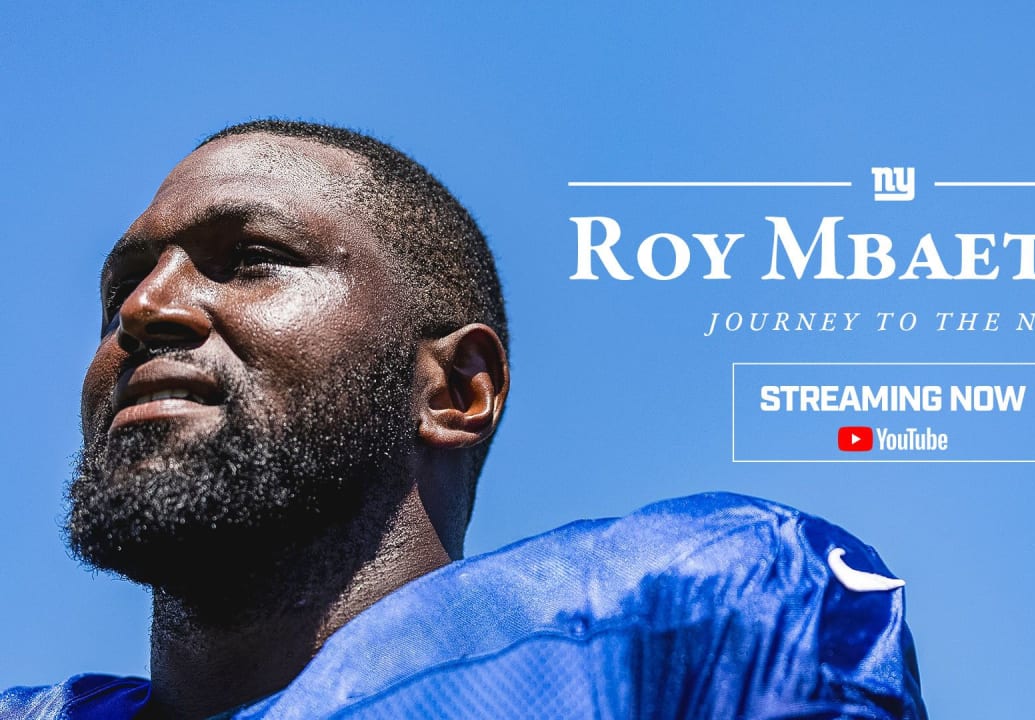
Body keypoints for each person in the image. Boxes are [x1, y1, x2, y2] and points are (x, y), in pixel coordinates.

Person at [0, 121, 926, 719]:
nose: (145, 309)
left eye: (249, 257)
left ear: (456, 389)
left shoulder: (679, 620)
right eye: (123, 283)